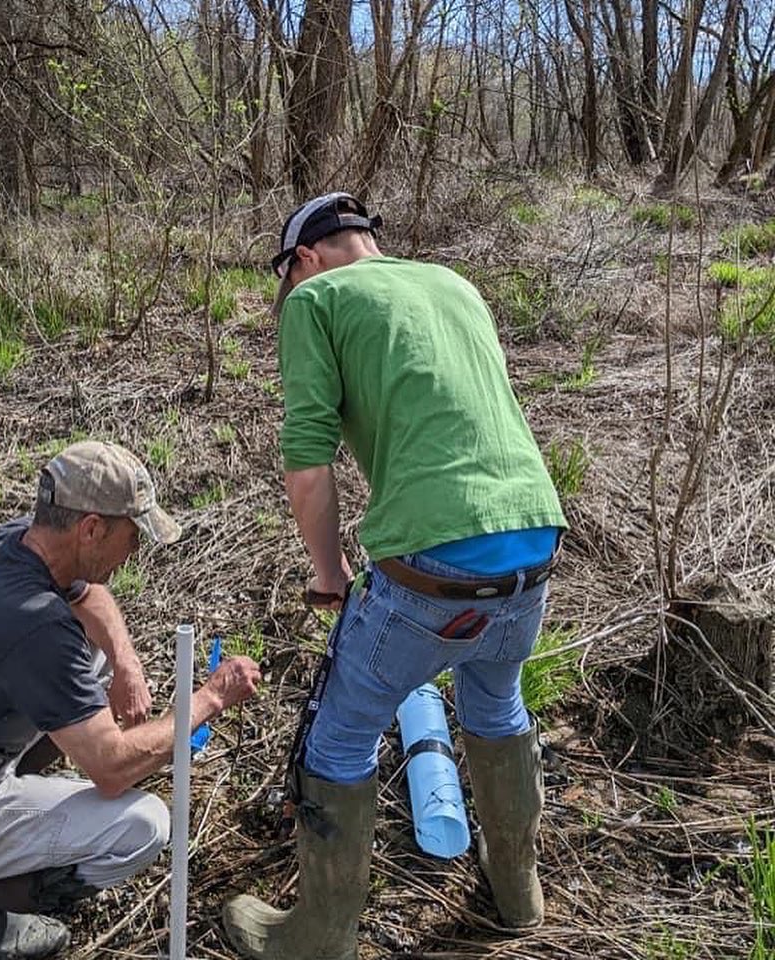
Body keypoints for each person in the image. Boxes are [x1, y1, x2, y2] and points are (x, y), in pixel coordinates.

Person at [222, 192, 568, 959]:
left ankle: (318, 937)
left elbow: (308, 463)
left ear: (302, 260)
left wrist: (330, 571)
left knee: (338, 740)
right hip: (534, 541)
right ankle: (518, 895)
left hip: (431, 565)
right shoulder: (452, 282)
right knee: (496, 702)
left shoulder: (316, 298)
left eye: (288, 280)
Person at [0, 440, 261, 960]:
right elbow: (112, 770)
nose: (134, 551)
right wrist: (208, 699)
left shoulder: (14, 546)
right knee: (143, 826)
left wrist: (125, 663)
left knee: (89, 656)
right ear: (91, 528)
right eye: (131, 536)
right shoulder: (35, 625)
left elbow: (90, 595)